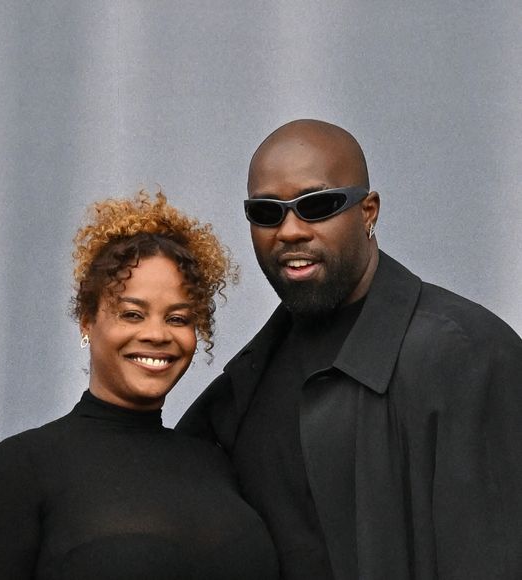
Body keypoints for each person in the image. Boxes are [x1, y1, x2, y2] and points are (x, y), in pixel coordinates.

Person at [177, 120, 522, 579]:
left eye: (318, 206)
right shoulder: (246, 387)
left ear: (368, 211)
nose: (290, 231)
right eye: (266, 213)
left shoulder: (467, 355)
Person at [0, 192, 279, 580]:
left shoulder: (217, 464)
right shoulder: (21, 470)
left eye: (177, 318)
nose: (157, 334)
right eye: (132, 314)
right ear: (87, 321)